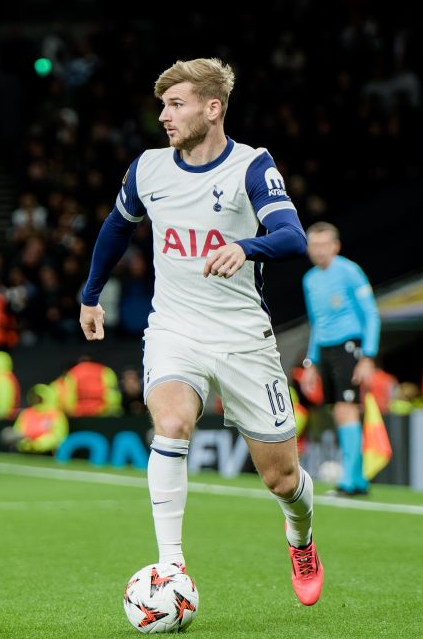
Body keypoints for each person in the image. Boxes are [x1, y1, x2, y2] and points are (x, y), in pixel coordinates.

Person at [78, 58, 322, 606]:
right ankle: (171, 567)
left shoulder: (252, 167)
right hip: (174, 328)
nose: (164, 115)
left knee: (282, 479)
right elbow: (117, 227)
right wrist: (90, 295)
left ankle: (300, 534)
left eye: (176, 104)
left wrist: (245, 245)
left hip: (242, 338)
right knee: (171, 423)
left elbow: (291, 236)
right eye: (162, 105)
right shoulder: (147, 168)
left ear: (212, 109)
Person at [301, 222, 381, 497]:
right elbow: (315, 322)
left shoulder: (350, 271)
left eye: (324, 245)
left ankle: (348, 481)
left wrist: (368, 355)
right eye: (314, 245)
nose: (319, 251)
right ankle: (357, 480)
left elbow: (371, 314)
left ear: (335, 246)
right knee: (338, 410)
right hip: (325, 349)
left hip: (349, 345)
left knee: (347, 409)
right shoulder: (309, 279)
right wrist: (310, 362)